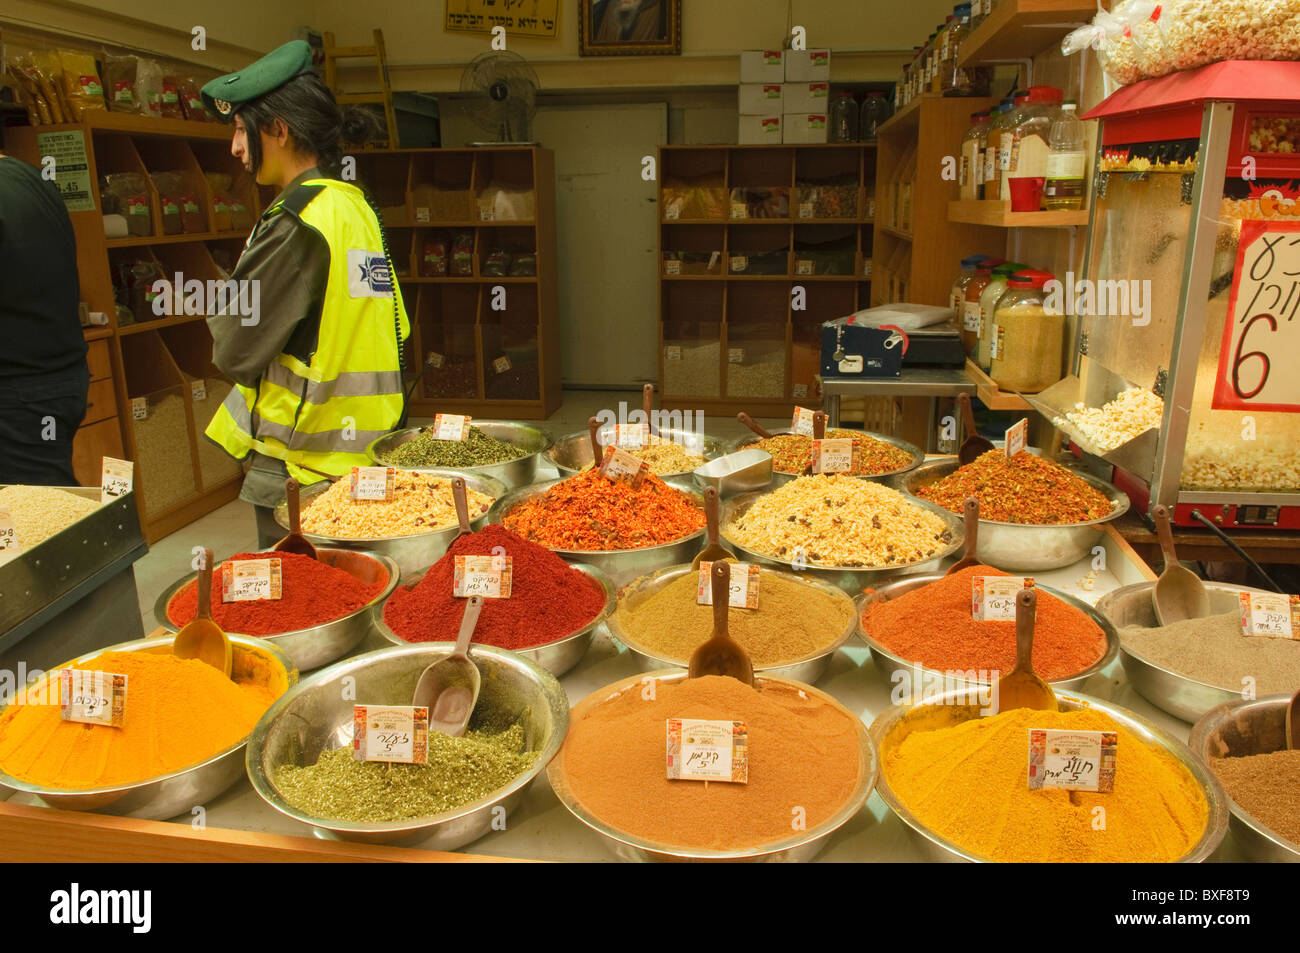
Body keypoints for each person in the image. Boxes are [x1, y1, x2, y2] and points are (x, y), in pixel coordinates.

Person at [200, 41, 410, 547]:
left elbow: (233, 349)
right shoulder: (356, 207)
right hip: (365, 458)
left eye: (238, 128)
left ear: (278, 128)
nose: (234, 148)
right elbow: (398, 328)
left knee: (297, 614)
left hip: (299, 469)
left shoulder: (296, 221)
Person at [0, 124, 89, 486]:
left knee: (37, 521)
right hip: (59, 380)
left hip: (20, 394)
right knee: (45, 498)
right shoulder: (32, 180)